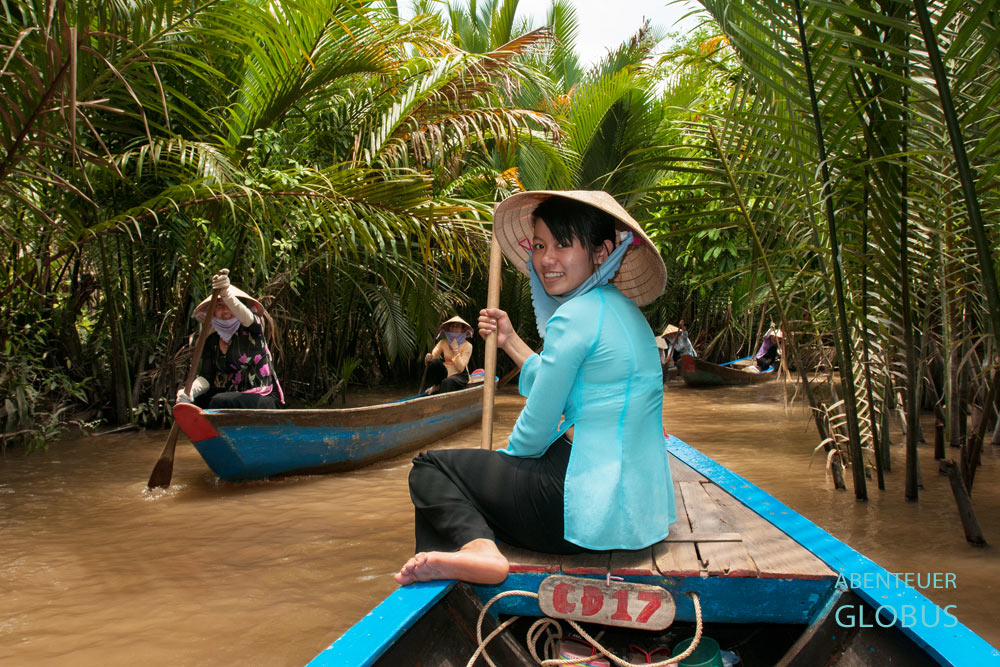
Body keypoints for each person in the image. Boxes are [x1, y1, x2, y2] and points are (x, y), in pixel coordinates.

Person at [394, 190, 675, 586]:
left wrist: (498, 473)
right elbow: (558, 380)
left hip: (582, 511)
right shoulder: (624, 312)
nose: (546, 259)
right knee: (476, 473)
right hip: (637, 513)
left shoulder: (574, 316)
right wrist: (508, 340)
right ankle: (471, 548)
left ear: (601, 251)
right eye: (540, 245)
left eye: (563, 244)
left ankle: (477, 548)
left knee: (431, 468)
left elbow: (537, 428)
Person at [175, 269, 284, 409]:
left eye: (229, 306)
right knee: (195, 402)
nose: (225, 311)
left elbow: (246, 316)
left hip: (264, 398)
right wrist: (189, 391)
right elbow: (206, 377)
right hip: (235, 396)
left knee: (219, 401)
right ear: (213, 310)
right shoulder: (212, 341)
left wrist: (226, 294)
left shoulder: (252, 328)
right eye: (219, 305)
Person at [423, 316, 474, 395]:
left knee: (446, 382)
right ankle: (437, 385)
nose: (454, 329)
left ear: (462, 329)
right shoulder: (443, 342)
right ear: (449, 328)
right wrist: (428, 357)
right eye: (452, 326)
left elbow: (460, 368)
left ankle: (441, 402)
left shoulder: (468, 346)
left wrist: (455, 350)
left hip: (459, 374)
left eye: (457, 326)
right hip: (445, 371)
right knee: (434, 362)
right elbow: (432, 358)